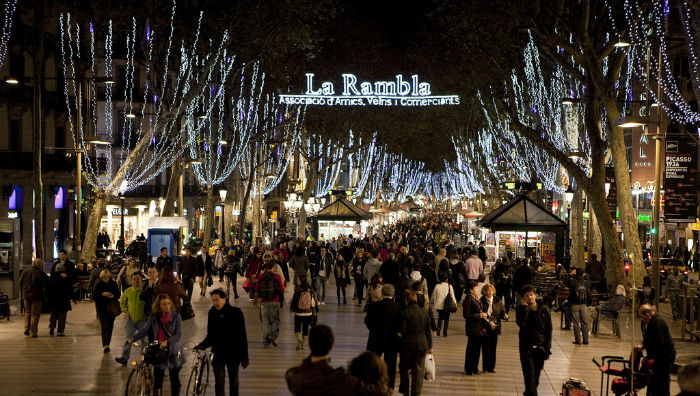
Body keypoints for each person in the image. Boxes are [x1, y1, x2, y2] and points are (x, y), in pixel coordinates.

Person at [285, 324, 389, 396]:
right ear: (331, 345)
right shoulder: (341, 378)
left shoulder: (293, 375)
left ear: (310, 344)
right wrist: (379, 368)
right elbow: (381, 391)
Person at [195, 289, 249, 396]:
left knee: (233, 380)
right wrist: (203, 344)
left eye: (217, 300)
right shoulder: (212, 313)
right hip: (218, 353)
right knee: (219, 381)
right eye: (213, 300)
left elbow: (242, 336)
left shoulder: (236, 313)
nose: (215, 303)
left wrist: (244, 357)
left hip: (233, 353)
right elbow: (210, 335)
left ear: (224, 299)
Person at [128, 294, 183, 396]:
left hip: (172, 350)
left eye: (168, 304)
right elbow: (145, 330)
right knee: (158, 378)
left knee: (174, 378)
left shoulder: (176, 316)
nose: (167, 306)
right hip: (158, 350)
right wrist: (133, 338)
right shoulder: (154, 317)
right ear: (159, 306)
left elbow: (178, 335)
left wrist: (168, 342)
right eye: (164, 304)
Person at [516, 285, 552, 396]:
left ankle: (529, 392)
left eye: (531, 295)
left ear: (535, 295)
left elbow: (549, 329)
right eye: (527, 296)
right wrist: (525, 309)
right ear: (523, 298)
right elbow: (521, 324)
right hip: (526, 347)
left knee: (536, 376)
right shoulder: (521, 310)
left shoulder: (544, 309)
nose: (530, 298)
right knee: (529, 375)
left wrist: (547, 347)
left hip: (540, 347)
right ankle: (531, 393)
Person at [364, 284, 401, 391]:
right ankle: (389, 388)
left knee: (373, 364)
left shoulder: (374, 306)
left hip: (375, 339)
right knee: (391, 366)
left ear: (382, 293)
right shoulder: (398, 307)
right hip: (392, 341)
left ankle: (373, 385)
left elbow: (367, 322)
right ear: (393, 294)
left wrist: (374, 330)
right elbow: (400, 325)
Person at [398, 288, 433, 396]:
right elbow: (428, 331)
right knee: (418, 369)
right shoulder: (424, 312)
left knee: (404, 367)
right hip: (422, 345)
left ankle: (405, 390)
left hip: (407, 345)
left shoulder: (404, 312)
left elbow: (402, 330)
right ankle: (416, 392)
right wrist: (430, 346)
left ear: (406, 301)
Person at [639, 304, 676, 396]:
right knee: (655, 382)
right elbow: (649, 338)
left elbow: (659, 343)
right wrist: (643, 346)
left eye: (642, 317)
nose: (642, 320)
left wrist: (652, 358)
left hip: (664, 357)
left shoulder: (657, 322)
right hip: (660, 357)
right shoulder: (652, 321)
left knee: (662, 382)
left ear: (647, 314)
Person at [116, 272, 147, 365]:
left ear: (141, 279)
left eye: (138, 279)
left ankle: (145, 358)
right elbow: (122, 303)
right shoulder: (128, 291)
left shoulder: (145, 291)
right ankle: (124, 358)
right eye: (134, 279)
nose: (136, 281)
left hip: (142, 320)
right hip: (131, 320)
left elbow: (150, 303)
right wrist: (126, 311)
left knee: (145, 340)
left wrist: (146, 314)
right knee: (128, 339)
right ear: (131, 280)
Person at [256, 261, 285, 347]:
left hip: (263, 302)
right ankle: (273, 336)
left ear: (265, 268)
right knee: (275, 320)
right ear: (273, 267)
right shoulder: (277, 277)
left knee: (264, 323)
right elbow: (282, 290)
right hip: (274, 301)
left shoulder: (261, 276)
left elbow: (257, 289)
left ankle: (265, 342)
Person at [480, 284, 507, 373]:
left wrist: (505, 316)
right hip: (485, 327)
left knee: (493, 348)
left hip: (495, 327)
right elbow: (482, 314)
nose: (490, 292)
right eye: (488, 290)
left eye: (492, 290)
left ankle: (491, 367)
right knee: (485, 348)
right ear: (485, 292)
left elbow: (502, 312)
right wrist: (489, 322)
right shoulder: (482, 301)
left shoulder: (498, 301)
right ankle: (485, 367)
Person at [463, 280, 487, 375]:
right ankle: (469, 368)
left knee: (477, 349)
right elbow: (466, 315)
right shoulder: (468, 300)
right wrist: (479, 315)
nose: (477, 289)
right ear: (471, 289)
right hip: (473, 328)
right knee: (471, 349)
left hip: (479, 328)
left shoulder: (476, 298)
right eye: (476, 288)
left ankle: (474, 367)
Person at [93, 269, 121, 352]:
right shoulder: (98, 284)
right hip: (101, 309)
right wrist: (102, 294)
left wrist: (113, 296)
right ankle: (105, 345)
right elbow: (94, 296)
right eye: (104, 277)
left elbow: (118, 294)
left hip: (111, 309)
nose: (105, 278)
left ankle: (108, 343)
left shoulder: (113, 283)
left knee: (110, 326)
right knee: (104, 326)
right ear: (101, 277)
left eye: (107, 277)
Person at [47, 256, 75, 337]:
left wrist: (47, 299)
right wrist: (73, 298)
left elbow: (48, 290)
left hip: (54, 300)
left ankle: (52, 325)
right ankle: (60, 331)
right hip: (63, 300)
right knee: (62, 315)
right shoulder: (66, 279)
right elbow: (70, 289)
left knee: (54, 313)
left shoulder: (52, 278)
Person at [20, 258, 48, 337]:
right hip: (36, 296)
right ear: (41, 265)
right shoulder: (40, 273)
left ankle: (26, 328)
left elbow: (20, 282)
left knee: (27, 312)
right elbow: (47, 283)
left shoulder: (25, 272)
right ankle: (33, 332)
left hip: (26, 295)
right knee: (35, 314)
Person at [290, 275, 318, 351]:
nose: (297, 281)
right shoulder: (310, 290)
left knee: (297, 328)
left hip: (299, 313)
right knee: (305, 328)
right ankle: (303, 344)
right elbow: (314, 302)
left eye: (298, 280)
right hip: (308, 313)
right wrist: (315, 311)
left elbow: (294, 300)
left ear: (301, 281)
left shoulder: (298, 290)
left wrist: (292, 308)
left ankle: (299, 340)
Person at [566, 268, 590, 345]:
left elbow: (565, 280)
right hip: (583, 304)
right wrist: (585, 276)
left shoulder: (572, 281)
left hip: (574, 304)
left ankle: (578, 340)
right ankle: (586, 340)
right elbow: (590, 283)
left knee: (576, 322)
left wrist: (571, 275)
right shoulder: (586, 282)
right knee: (584, 322)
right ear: (583, 273)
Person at [431, 272, 457, 337]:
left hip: (439, 305)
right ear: (446, 279)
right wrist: (455, 303)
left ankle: (438, 331)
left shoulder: (437, 286)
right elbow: (452, 295)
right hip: (447, 305)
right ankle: (445, 332)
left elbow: (434, 297)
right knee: (447, 318)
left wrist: (435, 306)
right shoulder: (449, 286)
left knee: (440, 318)